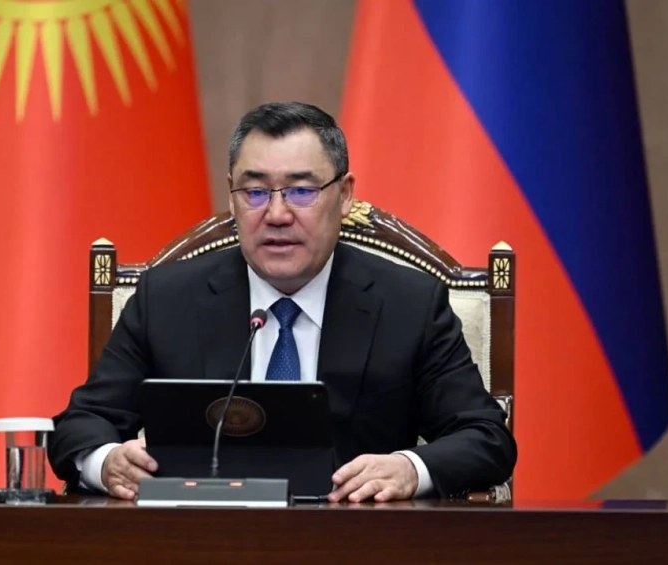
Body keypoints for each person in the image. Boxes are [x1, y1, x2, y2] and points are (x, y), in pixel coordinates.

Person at [47, 101, 517, 502]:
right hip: (201, 543)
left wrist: (410, 469)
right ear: (232, 198)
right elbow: (80, 425)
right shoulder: (167, 299)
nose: (276, 214)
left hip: (355, 545)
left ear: (344, 196)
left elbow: (487, 438)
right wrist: (107, 462)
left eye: (301, 191)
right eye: (255, 192)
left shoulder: (408, 304)